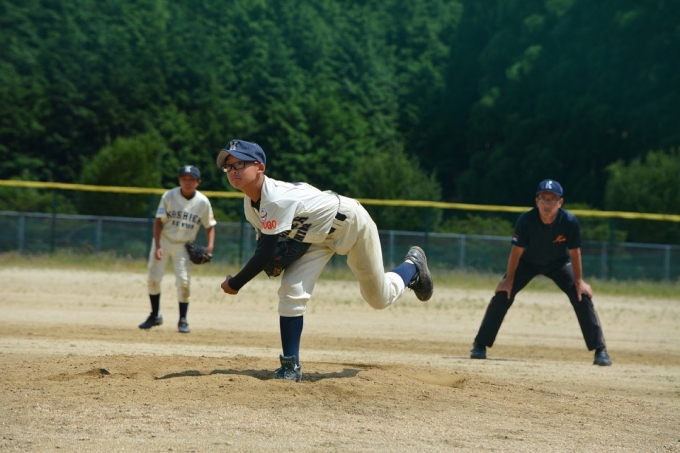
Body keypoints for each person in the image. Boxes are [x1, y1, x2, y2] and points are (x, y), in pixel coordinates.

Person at [216, 139, 434, 382]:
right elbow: (266, 245)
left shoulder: (276, 198)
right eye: (228, 166)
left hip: (350, 224)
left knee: (379, 298)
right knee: (291, 291)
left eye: (240, 164)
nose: (233, 170)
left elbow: (265, 253)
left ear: (259, 167)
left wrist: (235, 283)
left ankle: (413, 267)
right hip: (313, 239)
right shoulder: (250, 206)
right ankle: (290, 365)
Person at [470, 179, 612, 366]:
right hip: (527, 262)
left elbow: (575, 252)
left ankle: (600, 350)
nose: (547, 204)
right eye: (543, 198)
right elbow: (516, 252)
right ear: (536, 201)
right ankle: (480, 345)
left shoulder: (569, 221)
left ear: (560, 202)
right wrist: (509, 280)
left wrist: (579, 281)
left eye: (552, 199)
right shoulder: (526, 220)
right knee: (503, 293)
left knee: (581, 296)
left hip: (558, 264)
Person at [139, 165, 216, 333]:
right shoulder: (169, 196)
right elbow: (158, 221)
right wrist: (158, 246)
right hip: (164, 241)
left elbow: (210, 225)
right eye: (184, 179)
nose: (187, 182)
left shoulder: (203, 202)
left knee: (184, 281)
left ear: (198, 182)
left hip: (184, 246)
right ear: (179, 180)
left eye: (191, 179)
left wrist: (210, 247)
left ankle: (183, 320)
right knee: (153, 278)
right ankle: (155, 315)